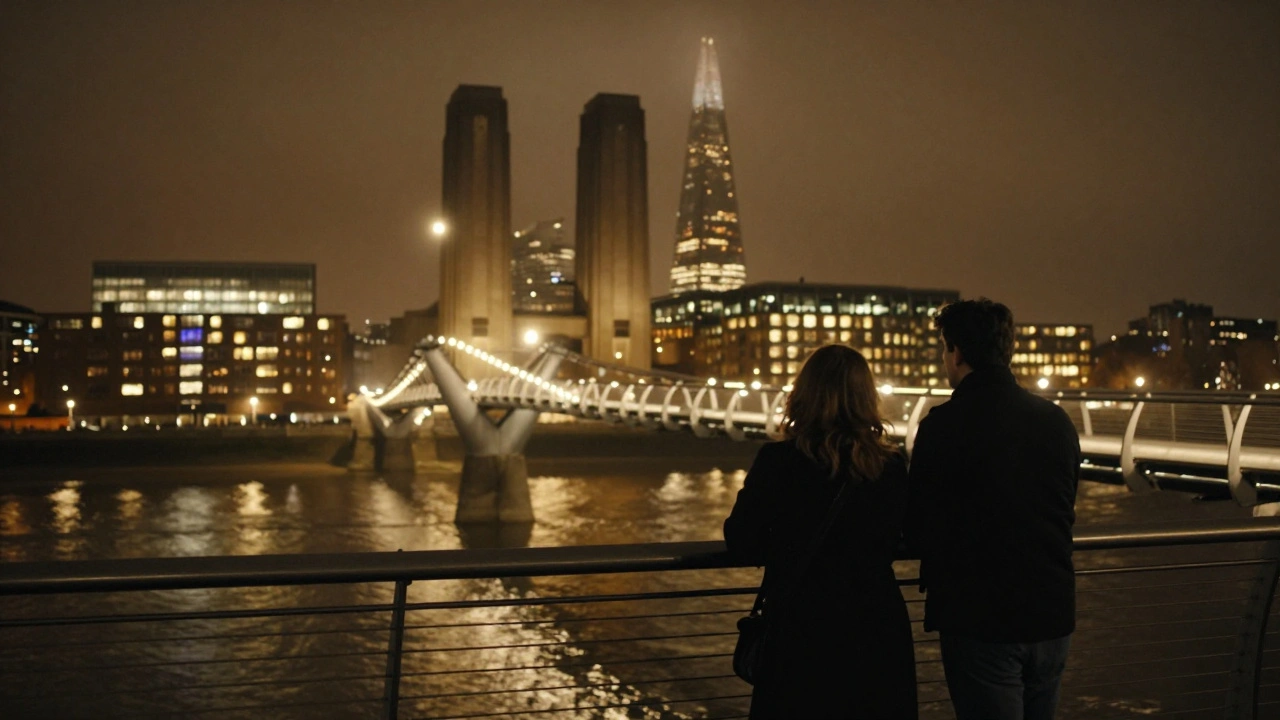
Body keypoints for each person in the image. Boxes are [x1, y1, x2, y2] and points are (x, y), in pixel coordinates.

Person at [907, 299, 1081, 720]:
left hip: (981, 618)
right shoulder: (1056, 421)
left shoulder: (942, 427)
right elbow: (1063, 503)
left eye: (945, 349)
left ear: (957, 352)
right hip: (1051, 612)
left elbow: (917, 522)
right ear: (1008, 350)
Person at [724, 344, 918, 719]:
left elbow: (742, 542)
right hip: (875, 627)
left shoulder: (778, 461)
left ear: (803, 394)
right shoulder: (892, 466)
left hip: (801, 628)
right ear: (868, 399)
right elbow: (905, 533)